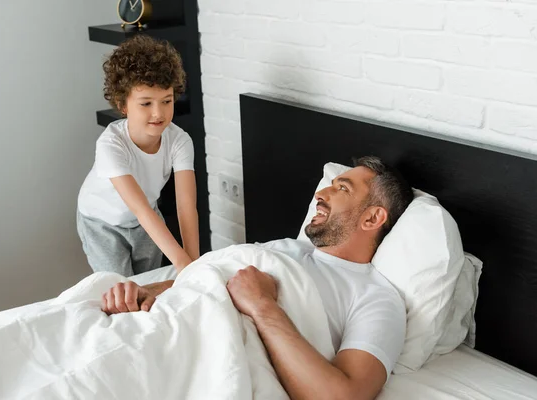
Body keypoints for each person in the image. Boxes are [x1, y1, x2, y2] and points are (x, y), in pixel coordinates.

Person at [101, 156, 414, 398]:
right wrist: (146, 291)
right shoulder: (285, 249)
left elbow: (343, 396)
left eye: (342, 188)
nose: (321, 192)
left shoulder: (377, 298)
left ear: (373, 217)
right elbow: (215, 278)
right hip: (158, 325)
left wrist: (263, 307)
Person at [77, 35, 199, 277]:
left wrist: (194, 266)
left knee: (148, 284)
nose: (158, 113)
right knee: (122, 290)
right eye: (146, 104)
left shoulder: (180, 140)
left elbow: (186, 207)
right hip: (102, 224)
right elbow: (140, 208)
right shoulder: (110, 146)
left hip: (147, 219)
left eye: (167, 101)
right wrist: (183, 265)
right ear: (124, 105)